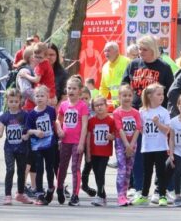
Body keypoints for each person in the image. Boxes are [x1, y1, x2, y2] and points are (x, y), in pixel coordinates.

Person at [132, 83, 171, 206]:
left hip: (160, 147)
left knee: (161, 172)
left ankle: (162, 195)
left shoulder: (164, 112)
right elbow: (141, 128)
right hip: (147, 147)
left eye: (162, 94)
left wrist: (158, 123)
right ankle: (144, 195)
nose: (161, 97)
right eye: (158, 94)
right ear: (149, 96)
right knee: (147, 172)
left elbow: (167, 130)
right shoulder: (142, 111)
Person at [55, 77, 89, 206]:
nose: (71, 91)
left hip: (77, 142)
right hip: (65, 141)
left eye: (74, 88)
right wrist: (59, 129)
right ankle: (59, 187)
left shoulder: (82, 106)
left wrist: (81, 143)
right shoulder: (64, 105)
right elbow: (58, 120)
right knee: (62, 166)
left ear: (80, 91)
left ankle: (75, 195)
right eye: (69, 88)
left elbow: (85, 125)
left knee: (75, 167)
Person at [0, 88, 33, 205]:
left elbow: (28, 129)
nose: (13, 104)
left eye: (16, 101)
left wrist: (27, 135)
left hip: (22, 148)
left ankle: (20, 194)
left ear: (20, 101)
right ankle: (8, 195)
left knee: (21, 171)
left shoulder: (24, 115)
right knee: (10, 170)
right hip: (9, 148)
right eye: (11, 101)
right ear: (7, 101)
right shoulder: (4, 116)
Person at [25, 85, 58, 205]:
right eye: (37, 96)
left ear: (47, 98)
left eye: (42, 96)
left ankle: (50, 188)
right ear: (34, 98)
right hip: (37, 145)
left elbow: (54, 124)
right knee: (39, 168)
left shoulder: (51, 110)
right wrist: (35, 132)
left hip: (50, 144)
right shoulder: (32, 114)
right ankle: (39, 194)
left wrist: (58, 136)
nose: (39, 98)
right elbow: (27, 130)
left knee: (50, 167)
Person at [113, 85, 141, 206]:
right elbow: (119, 129)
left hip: (132, 143)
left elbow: (138, 129)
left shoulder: (135, 113)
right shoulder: (117, 112)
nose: (127, 98)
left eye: (129, 95)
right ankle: (120, 196)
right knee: (122, 169)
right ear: (119, 97)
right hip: (121, 142)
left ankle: (125, 195)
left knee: (129, 171)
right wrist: (127, 145)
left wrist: (132, 145)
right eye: (124, 95)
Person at [85, 95, 116, 206]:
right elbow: (88, 137)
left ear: (106, 106)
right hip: (94, 152)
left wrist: (111, 137)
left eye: (101, 105)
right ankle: (102, 196)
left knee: (101, 173)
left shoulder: (111, 121)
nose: (99, 107)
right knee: (97, 174)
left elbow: (115, 135)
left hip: (104, 152)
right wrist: (88, 153)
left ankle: (100, 195)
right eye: (96, 105)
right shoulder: (92, 121)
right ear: (93, 108)